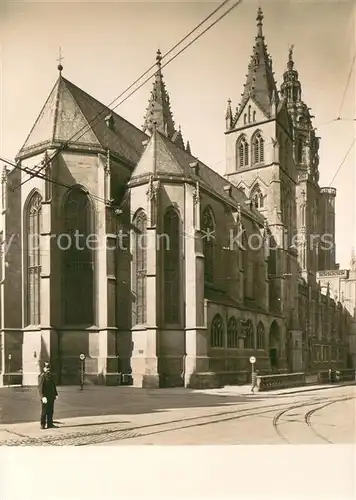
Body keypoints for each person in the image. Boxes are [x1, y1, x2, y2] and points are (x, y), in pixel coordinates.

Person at [38, 362, 58, 429]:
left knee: (50, 411)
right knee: (44, 411)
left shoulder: (51, 376)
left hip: (51, 396)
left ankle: (50, 424)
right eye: (46, 368)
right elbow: (40, 388)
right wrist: (42, 397)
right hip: (45, 397)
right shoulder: (42, 376)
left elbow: (53, 385)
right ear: (44, 368)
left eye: (48, 367)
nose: (48, 369)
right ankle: (42, 424)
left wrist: (55, 394)